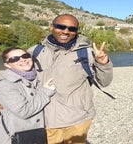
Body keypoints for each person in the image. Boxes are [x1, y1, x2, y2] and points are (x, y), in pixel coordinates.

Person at [27, 13, 113, 143]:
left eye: (72, 29)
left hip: (78, 119)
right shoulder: (35, 51)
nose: (66, 31)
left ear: (76, 31)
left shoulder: (87, 53)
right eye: (61, 26)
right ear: (51, 27)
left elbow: (104, 82)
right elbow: (15, 75)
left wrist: (103, 64)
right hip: (44, 119)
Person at [0, 47, 56, 144]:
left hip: (36, 134)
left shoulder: (38, 75)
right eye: (14, 59)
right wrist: (45, 92)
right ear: (7, 65)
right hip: (12, 138)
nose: (22, 59)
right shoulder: (4, 85)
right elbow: (24, 111)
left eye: (25, 56)